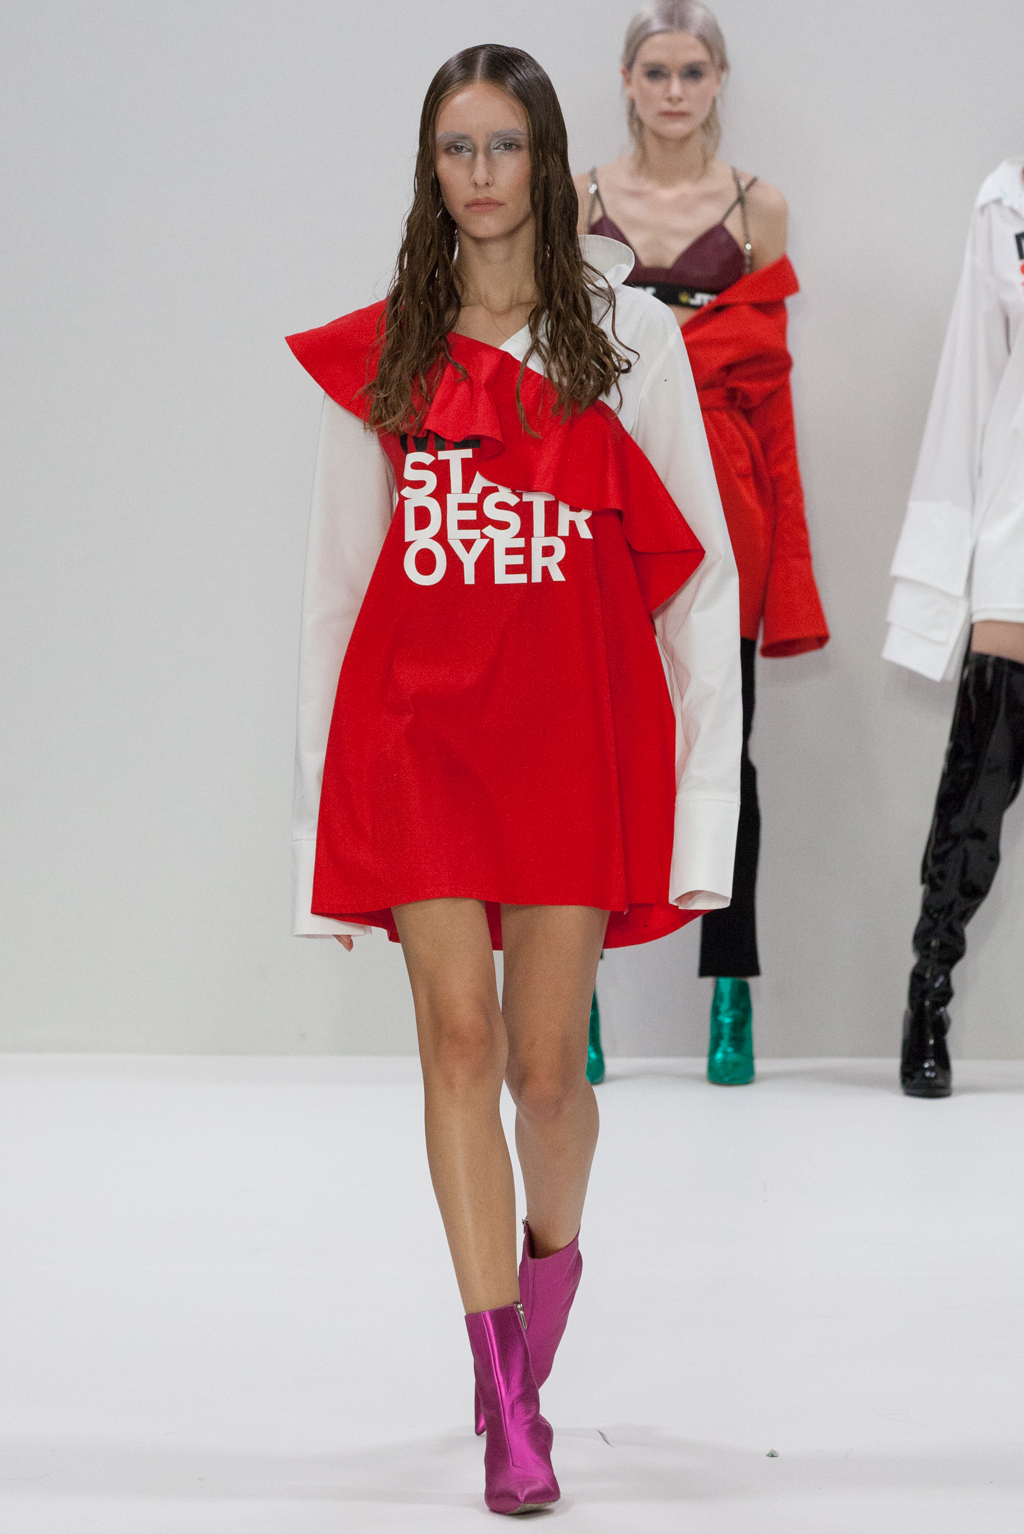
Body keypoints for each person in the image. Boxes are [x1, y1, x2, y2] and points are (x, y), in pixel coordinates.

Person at [286, 42, 741, 1516]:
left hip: (563, 744)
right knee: (459, 1045)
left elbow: (698, 583)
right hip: (420, 743)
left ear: (547, 157)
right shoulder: (388, 354)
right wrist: (318, 826)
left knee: (548, 1076)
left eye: (503, 145)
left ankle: (543, 1290)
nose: (480, 174)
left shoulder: (628, 339)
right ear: (430, 171)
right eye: (455, 148)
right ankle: (504, 1400)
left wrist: (703, 814)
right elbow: (338, 592)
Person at [577, 0, 829, 1088]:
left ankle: (730, 987)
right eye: (655, 71)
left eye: (691, 71)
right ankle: (573, 990)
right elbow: (557, 355)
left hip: (727, 497)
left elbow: (768, 385)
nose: (673, 90)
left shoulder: (758, 206)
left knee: (725, 747)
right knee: (589, 749)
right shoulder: (580, 200)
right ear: (626, 81)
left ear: (719, 79)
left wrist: (791, 568)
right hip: (609, 489)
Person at [884, 159, 1024, 1098]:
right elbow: (970, 390)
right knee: (979, 783)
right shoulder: (1007, 204)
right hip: (1018, 525)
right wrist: (945, 579)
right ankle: (927, 993)